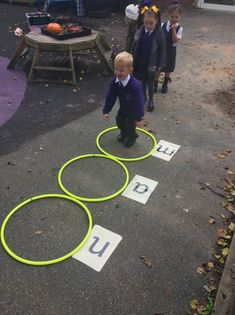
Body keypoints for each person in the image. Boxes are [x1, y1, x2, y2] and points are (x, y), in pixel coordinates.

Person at [103, 51, 145, 148]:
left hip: (133, 109)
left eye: (121, 70)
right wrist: (106, 110)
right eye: (116, 69)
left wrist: (139, 118)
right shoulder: (115, 82)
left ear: (130, 70)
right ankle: (124, 132)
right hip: (123, 107)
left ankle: (132, 137)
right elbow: (111, 96)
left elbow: (139, 102)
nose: (118, 72)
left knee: (130, 125)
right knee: (119, 121)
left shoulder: (135, 85)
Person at [131, 7, 165, 112]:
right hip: (139, 62)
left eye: (151, 23)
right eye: (146, 23)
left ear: (156, 21)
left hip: (151, 64)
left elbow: (162, 49)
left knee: (149, 83)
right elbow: (134, 46)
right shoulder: (140, 31)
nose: (148, 26)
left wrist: (160, 65)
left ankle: (151, 100)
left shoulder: (159, 33)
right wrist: (131, 59)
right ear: (143, 21)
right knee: (141, 83)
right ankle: (143, 98)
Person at [154, 3, 183, 94]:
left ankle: (165, 83)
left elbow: (175, 41)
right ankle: (155, 83)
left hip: (171, 51)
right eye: (172, 17)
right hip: (162, 50)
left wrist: (174, 30)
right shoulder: (163, 25)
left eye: (176, 17)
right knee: (159, 67)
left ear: (180, 17)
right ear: (169, 16)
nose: (174, 19)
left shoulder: (179, 28)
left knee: (168, 68)